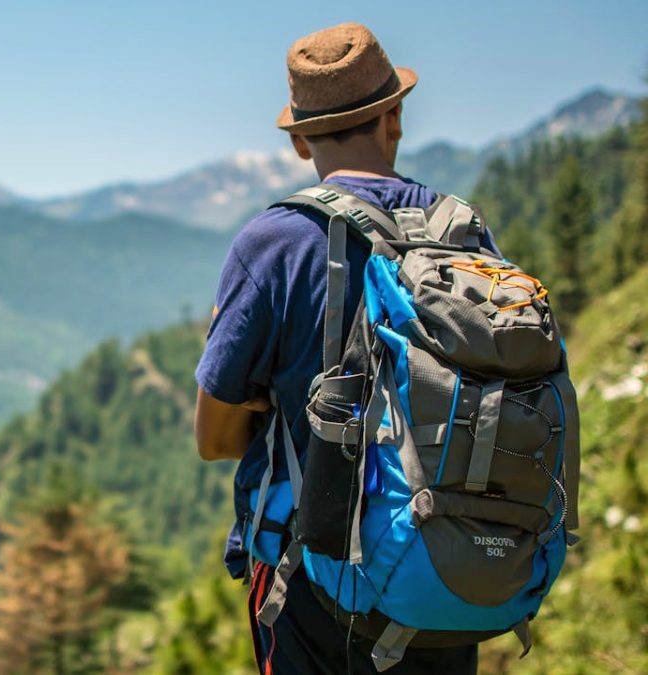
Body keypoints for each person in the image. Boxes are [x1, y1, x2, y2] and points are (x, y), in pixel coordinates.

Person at [193, 23, 481, 674]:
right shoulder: (462, 234)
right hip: (443, 570)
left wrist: (274, 405)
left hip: (316, 581)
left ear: (298, 139)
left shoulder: (274, 242)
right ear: (395, 116)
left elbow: (212, 439)